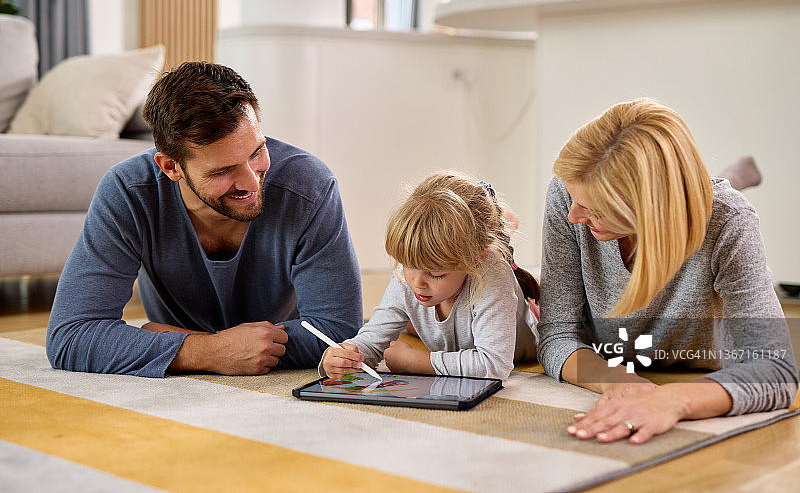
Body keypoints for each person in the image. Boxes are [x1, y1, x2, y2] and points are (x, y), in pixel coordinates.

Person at [45, 62, 363, 377]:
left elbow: (337, 330)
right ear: (171, 167)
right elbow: (71, 335)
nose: (253, 182)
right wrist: (210, 351)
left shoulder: (309, 186)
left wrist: (174, 343)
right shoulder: (129, 192)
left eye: (256, 152)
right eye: (223, 171)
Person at [537, 98, 799, 444]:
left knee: (716, 210)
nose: (573, 216)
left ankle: (734, 178)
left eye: (595, 209)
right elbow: (556, 335)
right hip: (617, 358)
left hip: (705, 369)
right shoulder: (567, 195)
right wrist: (611, 378)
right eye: (575, 199)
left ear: (650, 209)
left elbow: (775, 369)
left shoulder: (731, 223)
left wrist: (673, 399)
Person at [321, 171, 539, 382]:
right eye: (407, 265)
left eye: (436, 274)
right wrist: (344, 357)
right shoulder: (410, 275)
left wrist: (416, 362)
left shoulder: (492, 274)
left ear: (475, 259)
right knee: (407, 319)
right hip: (451, 325)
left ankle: (526, 296)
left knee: (412, 332)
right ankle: (420, 324)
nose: (416, 283)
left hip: (525, 346)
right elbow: (373, 339)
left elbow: (494, 365)